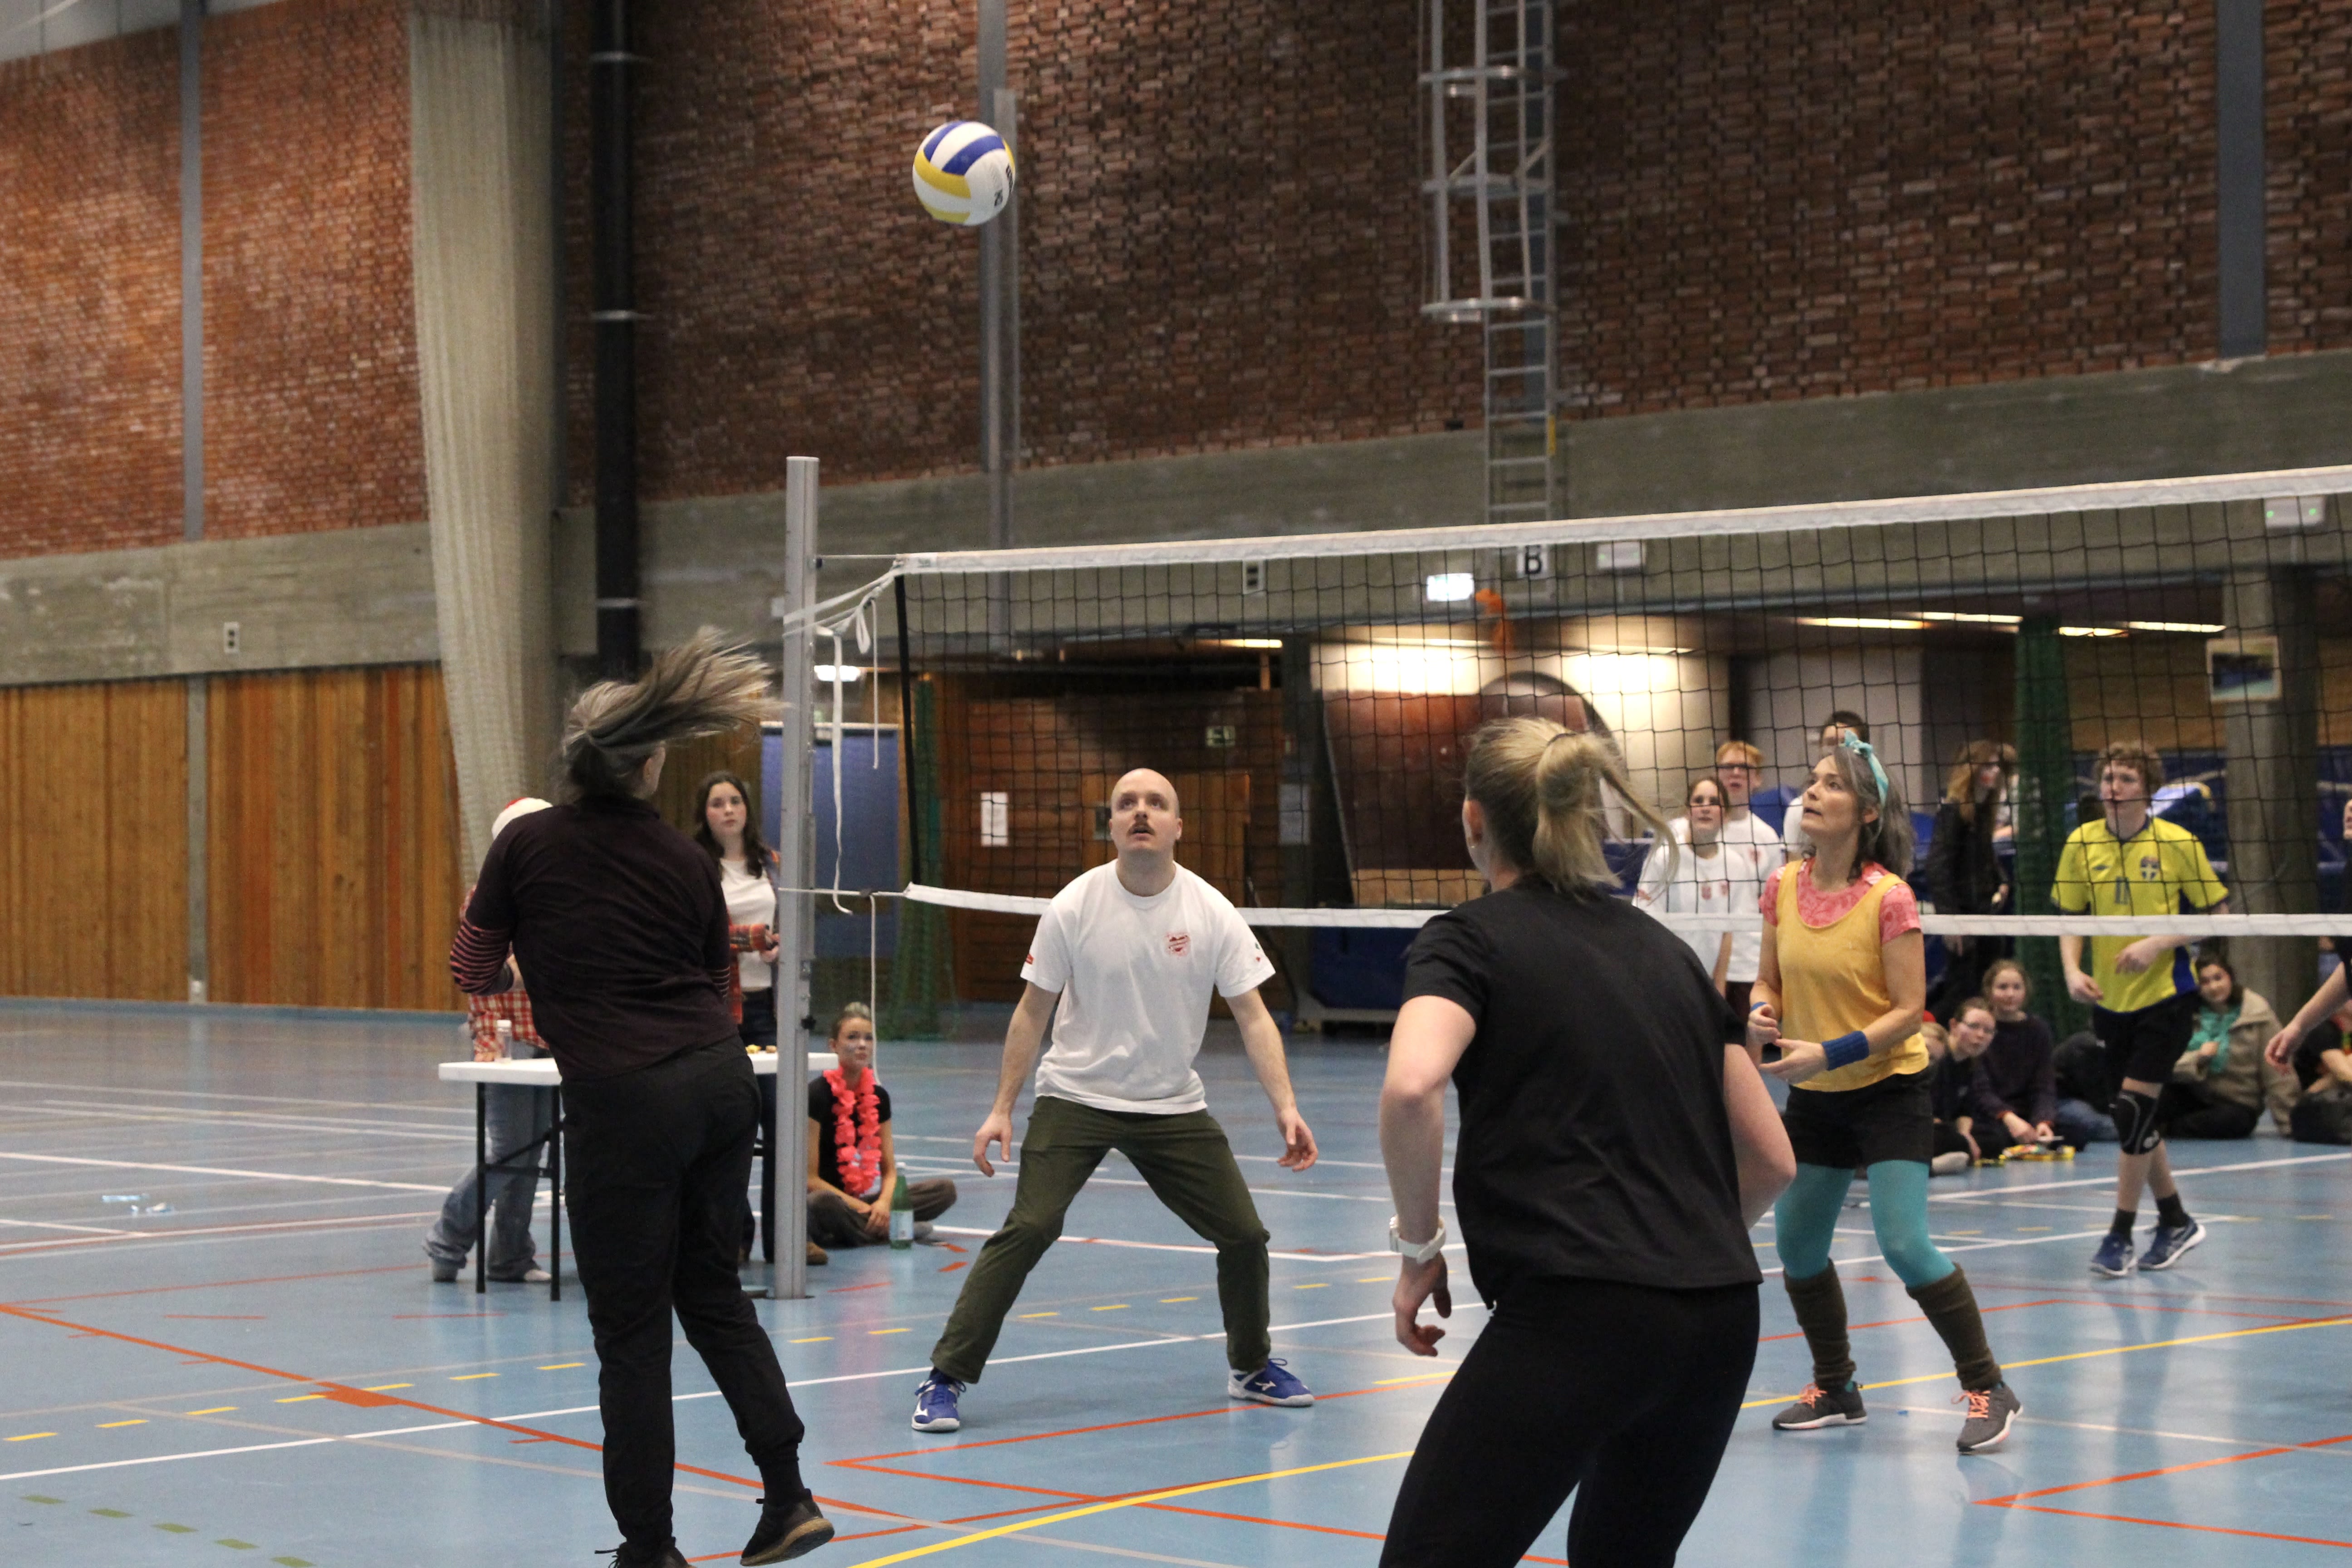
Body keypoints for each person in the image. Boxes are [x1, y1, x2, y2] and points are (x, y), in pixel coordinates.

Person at [451, 633, 831, 1568]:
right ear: (652, 764)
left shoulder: (525, 845)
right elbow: (721, 984)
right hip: (716, 1081)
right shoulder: (684, 858)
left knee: (631, 1333)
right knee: (714, 1297)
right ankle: (789, 1499)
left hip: (625, 1101)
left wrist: (534, 966)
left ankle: (651, 1549)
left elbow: (470, 966)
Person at [1377, 718, 1793, 1568]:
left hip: (1580, 1310)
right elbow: (1770, 1158)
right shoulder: (1668, 956)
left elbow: (1412, 1084)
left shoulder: (1467, 937)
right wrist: (1680, 1245)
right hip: (1718, 1315)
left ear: (1472, 820)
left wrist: (1419, 1248)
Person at [910, 768, 1321, 1434]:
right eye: (1126, 803)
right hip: (1076, 1094)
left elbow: (1252, 1015)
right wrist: (1000, 1108)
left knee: (1244, 1235)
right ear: (1111, 826)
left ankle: (1251, 1367)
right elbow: (1030, 1011)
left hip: (1171, 1104)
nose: (1140, 812)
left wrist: (1286, 1105)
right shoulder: (1073, 905)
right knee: (1032, 1225)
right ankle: (944, 1378)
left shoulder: (1211, 910)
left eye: (1156, 804)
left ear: (1177, 827)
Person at [1749, 734, 2023, 1453]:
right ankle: (1837, 1386)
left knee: (1904, 1243)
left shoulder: (1890, 898)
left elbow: (1908, 1011)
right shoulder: (1781, 886)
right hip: (1817, 1090)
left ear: (1866, 811)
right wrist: (1761, 1009)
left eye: (1831, 785)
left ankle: (1988, 1385)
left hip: (1890, 1088)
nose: (1811, 792)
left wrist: (1827, 1050)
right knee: (1798, 1246)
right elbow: (1769, 977)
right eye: (1811, 781)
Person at [2055, 740, 2231, 1277]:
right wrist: (2071, 970)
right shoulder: (2082, 843)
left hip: (2167, 997)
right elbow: (2069, 916)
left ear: (2147, 789)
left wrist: (2158, 943)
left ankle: (2120, 1234)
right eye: (2107, 778)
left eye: (2126, 780)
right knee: (2135, 1118)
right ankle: (2176, 1219)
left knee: (2132, 1113)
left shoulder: (2176, 842)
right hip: (2110, 1002)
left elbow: (2217, 915)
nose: (2113, 788)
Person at [426, 797, 558, 1285]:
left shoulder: (554, 897)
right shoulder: (486, 896)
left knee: (533, 1152)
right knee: (508, 1153)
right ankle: (449, 1238)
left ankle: (511, 1256)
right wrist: (487, 1040)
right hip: (507, 1043)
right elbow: (480, 979)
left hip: (550, 1040)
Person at [690, 769, 800, 1267]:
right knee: (726, 1128)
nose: (728, 810)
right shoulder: (695, 867)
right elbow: (700, 937)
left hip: (765, 1010)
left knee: (781, 1123)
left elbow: (793, 929)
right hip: (715, 1013)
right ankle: (734, 1235)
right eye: (717, 803)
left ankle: (786, 1242)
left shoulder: (772, 866)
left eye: (735, 801)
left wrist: (782, 948)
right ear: (705, 813)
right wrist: (751, 939)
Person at [806, 1003, 957, 1250]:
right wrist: (862, 1207)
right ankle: (897, 1230)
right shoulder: (817, 1095)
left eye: (869, 1038)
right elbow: (810, 1179)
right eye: (852, 1037)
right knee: (821, 1202)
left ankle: (874, 1228)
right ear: (833, 1046)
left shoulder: (879, 1097)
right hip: (830, 1204)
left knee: (944, 1190)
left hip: (861, 1206)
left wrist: (884, 1204)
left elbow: (889, 1172)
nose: (862, 1044)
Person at [2159, 954, 2293, 1138]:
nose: (2214, 987)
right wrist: (2197, 1059)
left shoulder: (2258, 1017)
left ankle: (2170, 1128)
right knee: (2157, 1096)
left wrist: (2290, 1124)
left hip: (2237, 1104)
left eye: (2218, 978)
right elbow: (2165, 1065)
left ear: (2230, 977)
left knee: (2233, 1122)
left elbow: (2278, 1075)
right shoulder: (2186, 1016)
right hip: (2194, 1095)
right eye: (2205, 982)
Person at [1926, 740, 2015, 1017]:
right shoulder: (1954, 812)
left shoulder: (1982, 812)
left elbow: (1985, 858)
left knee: (1984, 988)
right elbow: (1938, 866)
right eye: (1988, 765)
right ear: (1972, 770)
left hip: (1985, 916)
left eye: (1997, 766)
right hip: (1962, 918)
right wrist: (1950, 919)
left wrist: (2000, 879)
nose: (1994, 772)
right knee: (1961, 994)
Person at [1974, 959, 2096, 1150]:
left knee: (2081, 1129)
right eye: (2003, 987)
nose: (2010, 994)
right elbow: (1981, 1090)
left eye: (2017, 987)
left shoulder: (2038, 1029)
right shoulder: (1981, 1029)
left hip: (2029, 1111)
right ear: (1989, 991)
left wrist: (2043, 1121)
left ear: (2026, 991)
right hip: (1995, 1114)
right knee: (1992, 1139)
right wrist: (2009, 1118)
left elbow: (2044, 1084)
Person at [1633, 774, 1736, 996]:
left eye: (1714, 802)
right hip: (1667, 979)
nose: (1705, 808)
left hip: (1706, 983)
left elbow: (1729, 931)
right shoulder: (1665, 858)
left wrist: (1719, 989)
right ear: (1688, 812)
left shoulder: (1735, 864)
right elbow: (1648, 924)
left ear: (1726, 815)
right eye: (1698, 801)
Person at [1710, 740, 1784, 1015]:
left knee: (1750, 1037)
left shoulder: (1766, 837)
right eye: (1728, 767)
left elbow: (1774, 904)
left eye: (1745, 768)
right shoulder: (1697, 830)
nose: (1736, 773)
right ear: (1717, 775)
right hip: (1704, 953)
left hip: (1748, 959)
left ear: (1757, 779)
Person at [1921, 1020, 1977, 1176]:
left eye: (1933, 1059)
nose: (1926, 1060)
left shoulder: (1932, 1075)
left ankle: (1923, 1166)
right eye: (1924, 1049)